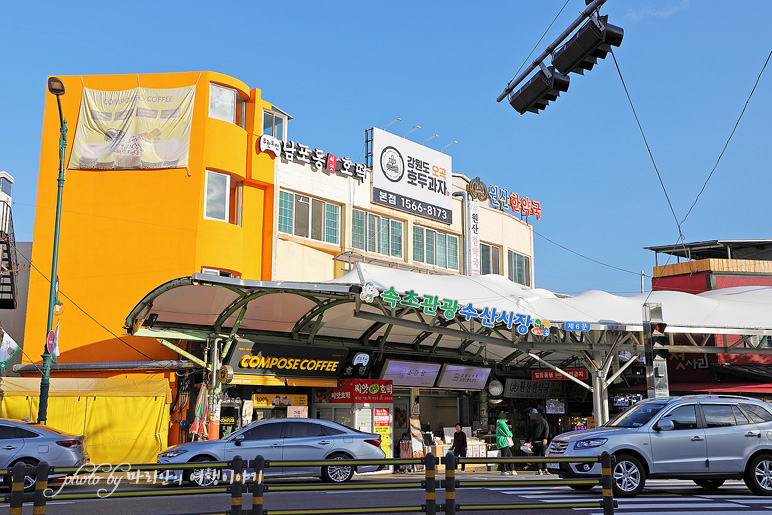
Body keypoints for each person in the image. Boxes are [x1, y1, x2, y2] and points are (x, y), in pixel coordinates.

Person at [525, 408, 550, 475]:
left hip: (536, 441)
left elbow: (529, 433)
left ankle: (540, 470)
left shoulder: (532, 422)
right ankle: (545, 469)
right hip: (542, 442)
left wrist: (527, 440)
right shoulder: (543, 420)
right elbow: (546, 429)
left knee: (537, 456)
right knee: (543, 455)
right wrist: (545, 438)